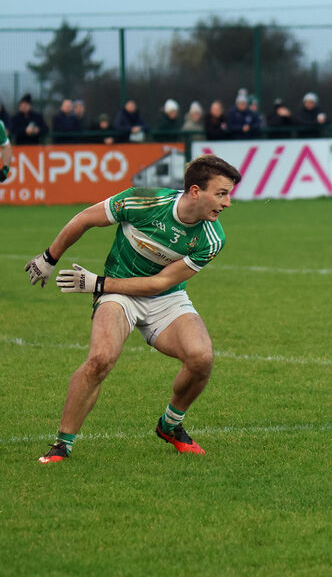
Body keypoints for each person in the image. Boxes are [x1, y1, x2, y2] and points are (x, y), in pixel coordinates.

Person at [25, 154, 242, 463]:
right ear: (195, 191)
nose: (228, 202)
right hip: (119, 293)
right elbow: (85, 219)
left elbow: (159, 283)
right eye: (221, 193)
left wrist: (98, 283)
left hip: (164, 297)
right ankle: (63, 444)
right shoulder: (142, 200)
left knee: (201, 358)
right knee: (101, 359)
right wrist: (49, 258)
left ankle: (170, 425)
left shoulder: (212, 238)